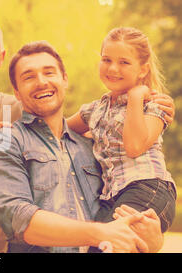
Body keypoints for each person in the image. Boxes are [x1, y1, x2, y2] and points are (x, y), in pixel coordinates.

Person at [0, 40, 164, 253]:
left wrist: (152, 242)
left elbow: (122, 217)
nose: (41, 82)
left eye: (49, 73)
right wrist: (101, 233)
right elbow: (19, 219)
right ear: (17, 92)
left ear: (64, 80)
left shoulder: (93, 147)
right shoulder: (4, 141)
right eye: (29, 77)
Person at [66, 27, 176, 247]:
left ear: (143, 69)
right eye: (106, 59)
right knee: (90, 245)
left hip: (148, 189)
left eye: (124, 62)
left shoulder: (154, 105)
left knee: (108, 244)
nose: (113, 68)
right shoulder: (95, 109)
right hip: (111, 197)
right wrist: (12, 127)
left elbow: (134, 146)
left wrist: (135, 97)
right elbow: (56, 130)